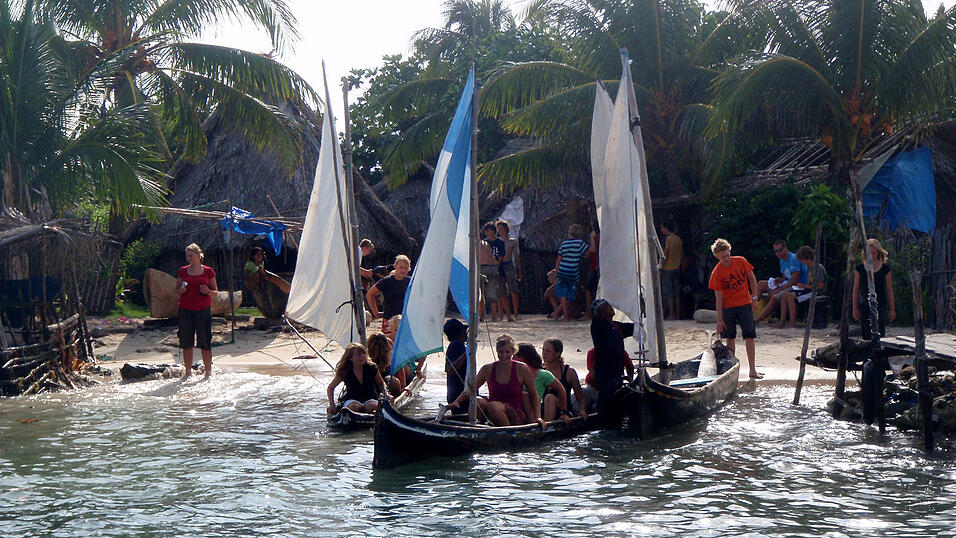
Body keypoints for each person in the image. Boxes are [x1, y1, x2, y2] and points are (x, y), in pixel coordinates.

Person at [451, 334, 543, 427]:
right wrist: (457, 402)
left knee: (493, 406)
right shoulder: (487, 369)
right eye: (501, 352)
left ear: (513, 352)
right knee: (478, 401)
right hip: (493, 411)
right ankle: (475, 428)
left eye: (507, 352)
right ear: (497, 351)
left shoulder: (522, 368)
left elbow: (533, 395)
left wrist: (538, 417)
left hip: (515, 413)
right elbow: (471, 389)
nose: (504, 355)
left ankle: (507, 434)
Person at [708, 238, 763, 379]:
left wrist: (755, 298)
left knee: (749, 336)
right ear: (717, 257)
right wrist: (719, 319)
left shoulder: (741, 261)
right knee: (730, 338)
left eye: (727, 255)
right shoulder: (717, 272)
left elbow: (752, 278)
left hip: (745, 304)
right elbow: (718, 297)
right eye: (722, 257)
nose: (726, 259)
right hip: (728, 308)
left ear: (730, 252)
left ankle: (752, 370)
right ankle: (731, 371)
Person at [589, 299, 636, 422]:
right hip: (605, 376)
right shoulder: (598, 327)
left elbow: (637, 327)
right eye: (606, 306)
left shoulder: (617, 326)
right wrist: (610, 298)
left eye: (610, 305)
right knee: (606, 404)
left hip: (617, 375)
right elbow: (598, 312)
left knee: (615, 404)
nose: (610, 306)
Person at [175, 243, 217, 380]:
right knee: (186, 340)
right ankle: (188, 371)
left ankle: (208, 372)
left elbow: (215, 293)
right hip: (185, 310)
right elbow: (177, 290)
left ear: (199, 255)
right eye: (187, 256)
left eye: (191, 256)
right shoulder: (182, 271)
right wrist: (182, 290)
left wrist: (207, 291)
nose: (189, 259)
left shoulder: (208, 271)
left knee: (205, 340)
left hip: (203, 310)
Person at [754, 239, 808, 328]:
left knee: (775, 296)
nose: (778, 253)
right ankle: (753, 311)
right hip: (788, 283)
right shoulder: (782, 260)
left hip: (798, 286)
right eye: (776, 251)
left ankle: (756, 320)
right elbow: (786, 277)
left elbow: (794, 281)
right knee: (760, 284)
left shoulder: (794, 259)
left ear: (785, 248)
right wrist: (779, 280)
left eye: (780, 250)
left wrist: (778, 290)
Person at [326, 343, 390, 415]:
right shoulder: (345, 370)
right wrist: (332, 405)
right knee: (355, 407)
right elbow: (331, 388)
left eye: (363, 353)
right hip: (352, 399)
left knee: (371, 406)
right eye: (358, 354)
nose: (362, 356)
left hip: (370, 398)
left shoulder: (372, 368)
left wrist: (387, 395)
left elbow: (381, 384)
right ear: (350, 358)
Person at [852, 238, 896, 339]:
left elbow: (889, 290)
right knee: (866, 332)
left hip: (880, 303)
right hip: (864, 303)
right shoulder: (860, 268)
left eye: (874, 253)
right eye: (869, 253)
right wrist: (854, 308)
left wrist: (892, 309)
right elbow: (855, 289)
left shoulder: (885, 269)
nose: (872, 256)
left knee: (880, 331)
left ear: (879, 252)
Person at [515, 343, 569, 423]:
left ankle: (541, 425)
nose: (513, 358)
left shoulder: (543, 374)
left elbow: (561, 390)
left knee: (547, 397)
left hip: (537, 410)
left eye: (516, 356)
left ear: (525, 358)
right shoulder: (514, 373)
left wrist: (563, 412)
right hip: (519, 409)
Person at [542, 338, 589, 419]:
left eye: (548, 351)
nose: (544, 354)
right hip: (543, 409)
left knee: (550, 398)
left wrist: (582, 410)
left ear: (557, 353)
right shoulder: (541, 370)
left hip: (564, 412)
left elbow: (580, 398)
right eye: (543, 350)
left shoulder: (569, 372)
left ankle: (546, 429)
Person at [552, 224, 589, 321]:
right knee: (570, 295)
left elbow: (559, 259)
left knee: (563, 294)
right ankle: (561, 313)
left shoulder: (564, 244)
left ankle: (562, 314)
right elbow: (587, 253)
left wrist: (556, 272)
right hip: (573, 272)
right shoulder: (580, 243)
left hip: (562, 271)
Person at [366, 255, 411, 333]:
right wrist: (375, 312)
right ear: (395, 267)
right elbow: (370, 294)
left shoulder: (411, 282)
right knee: (388, 343)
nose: (403, 270)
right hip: (389, 319)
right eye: (401, 267)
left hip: (406, 320)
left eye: (406, 268)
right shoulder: (386, 281)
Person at [478, 222, 505, 322]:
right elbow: (493, 257)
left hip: (482, 268)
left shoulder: (476, 244)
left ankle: (482, 316)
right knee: (492, 293)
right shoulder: (486, 243)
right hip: (493, 268)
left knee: (480, 293)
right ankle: (494, 316)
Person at [497, 220, 521, 321]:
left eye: (502, 228)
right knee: (502, 292)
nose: (500, 230)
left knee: (514, 291)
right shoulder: (496, 242)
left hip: (509, 265)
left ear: (506, 229)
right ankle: (507, 315)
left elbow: (516, 256)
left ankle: (516, 314)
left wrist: (519, 269)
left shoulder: (512, 241)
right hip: (500, 266)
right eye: (498, 229)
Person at [443, 318, 468, 412]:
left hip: (459, 394)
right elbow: (450, 369)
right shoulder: (455, 345)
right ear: (460, 332)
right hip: (459, 395)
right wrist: (466, 354)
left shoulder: (460, 345)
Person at [660, 220, 684, 320]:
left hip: (668, 268)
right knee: (676, 293)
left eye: (662, 227)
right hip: (677, 267)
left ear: (666, 228)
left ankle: (671, 314)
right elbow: (682, 253)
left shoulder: (668, 239)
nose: (661, 230)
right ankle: (677, 315)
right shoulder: (678, 239)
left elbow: (666, 253)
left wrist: (661, 267)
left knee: (669, 293)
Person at [582, 225, 600, 320]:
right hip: (596, 267)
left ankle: (589, 313)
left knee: (588, 289)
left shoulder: (597, 237)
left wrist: (592, 238)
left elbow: (592, 250)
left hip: (596, 268)